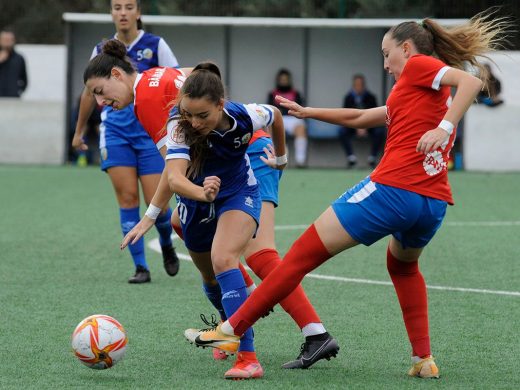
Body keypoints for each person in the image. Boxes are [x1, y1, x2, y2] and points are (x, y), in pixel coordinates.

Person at [187, 12, 508, 380]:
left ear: (406, 48)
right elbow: (359, 117)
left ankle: (231, 331)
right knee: (402, 267)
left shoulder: (419, 66)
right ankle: (424, 359)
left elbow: (469, 80)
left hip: (391, 192)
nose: (385, 64)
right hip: (432, 205)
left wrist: (444, 127)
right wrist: (309, 112)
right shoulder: (418, 92)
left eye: (387, 54)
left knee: (295, 259)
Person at [119, 63, 338, 379]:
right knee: (209, 277)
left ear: (220, 105)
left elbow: (276, 116)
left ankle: (248, 359)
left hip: (239, 191)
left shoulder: (244, 115)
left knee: (225, 259)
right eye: (188, 113)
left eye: (202, 116)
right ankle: (228, 324)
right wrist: (158, 213)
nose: (194, 122)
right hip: (197, 199)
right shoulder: (179, 127)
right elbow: (175, 178)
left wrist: (281, 157)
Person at [71, 0, 180, 284]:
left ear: (138, 13)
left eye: (129, 6)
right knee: (128, 198)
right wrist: (79, 130)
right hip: (116, 133)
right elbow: (87, 94)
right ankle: (141, 267)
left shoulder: (156, 45)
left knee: (159, 204)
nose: (122, 12)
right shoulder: (100, 50)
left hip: (149, 133)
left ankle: (167, 242)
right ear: (111, 13)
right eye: (117, 7)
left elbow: (177, 81)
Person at [339, 74, 386, 168]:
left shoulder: (371, 97)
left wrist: (365, 126)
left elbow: (375, 115)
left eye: (360, 84)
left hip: (369, 125)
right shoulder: (348, 97)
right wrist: (357, 126)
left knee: (380, 132)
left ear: (364, 85)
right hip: (353, 125)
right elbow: (345, 115)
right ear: (353, 85)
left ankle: (372, 158)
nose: (358, 87)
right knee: (342, 131)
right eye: (356, 84)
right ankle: (351, 158)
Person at [268, 68, 308, 168]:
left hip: (293, 118)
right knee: (273, 130)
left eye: (286, 79)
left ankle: (300, 161)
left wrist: (283, 109)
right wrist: (281, 111)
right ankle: (281, 160)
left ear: (289, 80)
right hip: (278, 118)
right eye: (282, 79)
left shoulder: (296, 93)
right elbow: (269, 108)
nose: (284, 81)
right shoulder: (272, 94)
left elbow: (300, 109)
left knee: (301, 128)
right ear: (278, 80)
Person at [0, 28, 27, 97]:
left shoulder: (19, 58)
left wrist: (17, 91)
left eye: (9, 40)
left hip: (13, 98)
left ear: (13, 41)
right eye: (5, 40)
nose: (7, 42)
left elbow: (24, 80)